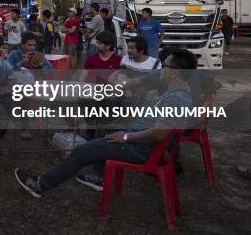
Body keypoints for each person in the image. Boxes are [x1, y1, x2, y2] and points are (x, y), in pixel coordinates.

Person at [14, 49, 196, 197]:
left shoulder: (178, 98)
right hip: (140, 139)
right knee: (104, 123)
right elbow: (136, 83)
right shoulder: (175, 87)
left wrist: (125, 137)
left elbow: (159, 133)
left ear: (176, 73)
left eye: (165, 65)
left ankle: (39, 185)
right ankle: (99, 176)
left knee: (81, 152)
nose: (161, 68)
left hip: (141, 147)